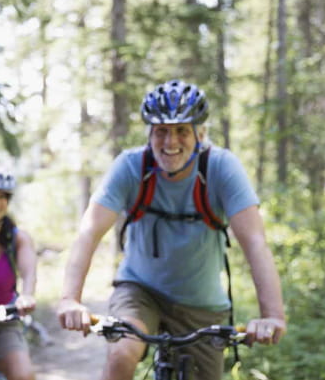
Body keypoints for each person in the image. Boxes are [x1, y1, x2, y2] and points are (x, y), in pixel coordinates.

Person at [57, 80, 286, 380]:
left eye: (182, 131)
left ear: (200, 134)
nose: (170, 141)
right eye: (161, 131)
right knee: (123, 352)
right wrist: (69, 299)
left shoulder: (221, 168)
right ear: (150, 134)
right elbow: (89, 231)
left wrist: (272, 315)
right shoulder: (130, 166)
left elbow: (255, 242)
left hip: (202, 302)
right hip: (140, 290)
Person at [0, 167, 37, 380]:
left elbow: (29, 272)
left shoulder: (17, 238)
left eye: (2, 197)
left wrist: (27, 295)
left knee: (23, 375)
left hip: (2, 322)